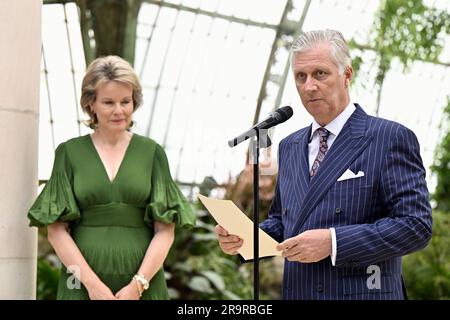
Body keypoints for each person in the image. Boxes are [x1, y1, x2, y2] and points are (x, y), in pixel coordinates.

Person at [215, 30, 432, 300]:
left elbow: (415, 225)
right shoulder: (290, 146)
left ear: (347, 75)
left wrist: (333, 243)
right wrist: (247, 238)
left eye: (320, 74)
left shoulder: (389, 138)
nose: (309, 86)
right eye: (300, 76)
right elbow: (284, 221)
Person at [28, 55, 196, 300]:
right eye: (108, 102)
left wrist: (137, 286)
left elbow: (165, 231)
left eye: (125, 101)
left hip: (143, 282)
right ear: (90, 104)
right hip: (81, 282)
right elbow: (56, 230)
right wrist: (93, 287)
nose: (119, 111)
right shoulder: (69, 153)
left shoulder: (153, 153)